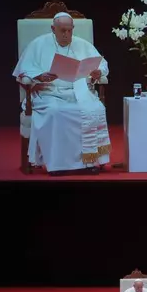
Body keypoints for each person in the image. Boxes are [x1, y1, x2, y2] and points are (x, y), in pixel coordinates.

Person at [13, 12, 111, 176]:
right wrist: (39, 76)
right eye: (62, 30)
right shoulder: (38, 45)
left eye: (69, 30)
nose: (66, 34)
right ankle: (58, 165)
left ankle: (88, 163)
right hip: (48, 93)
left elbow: (102, 64)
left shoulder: (82, 44)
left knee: (93, 109)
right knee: (56, 112)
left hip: (78, 92)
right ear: (53, 29)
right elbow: (23, 72)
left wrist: (98, 72)